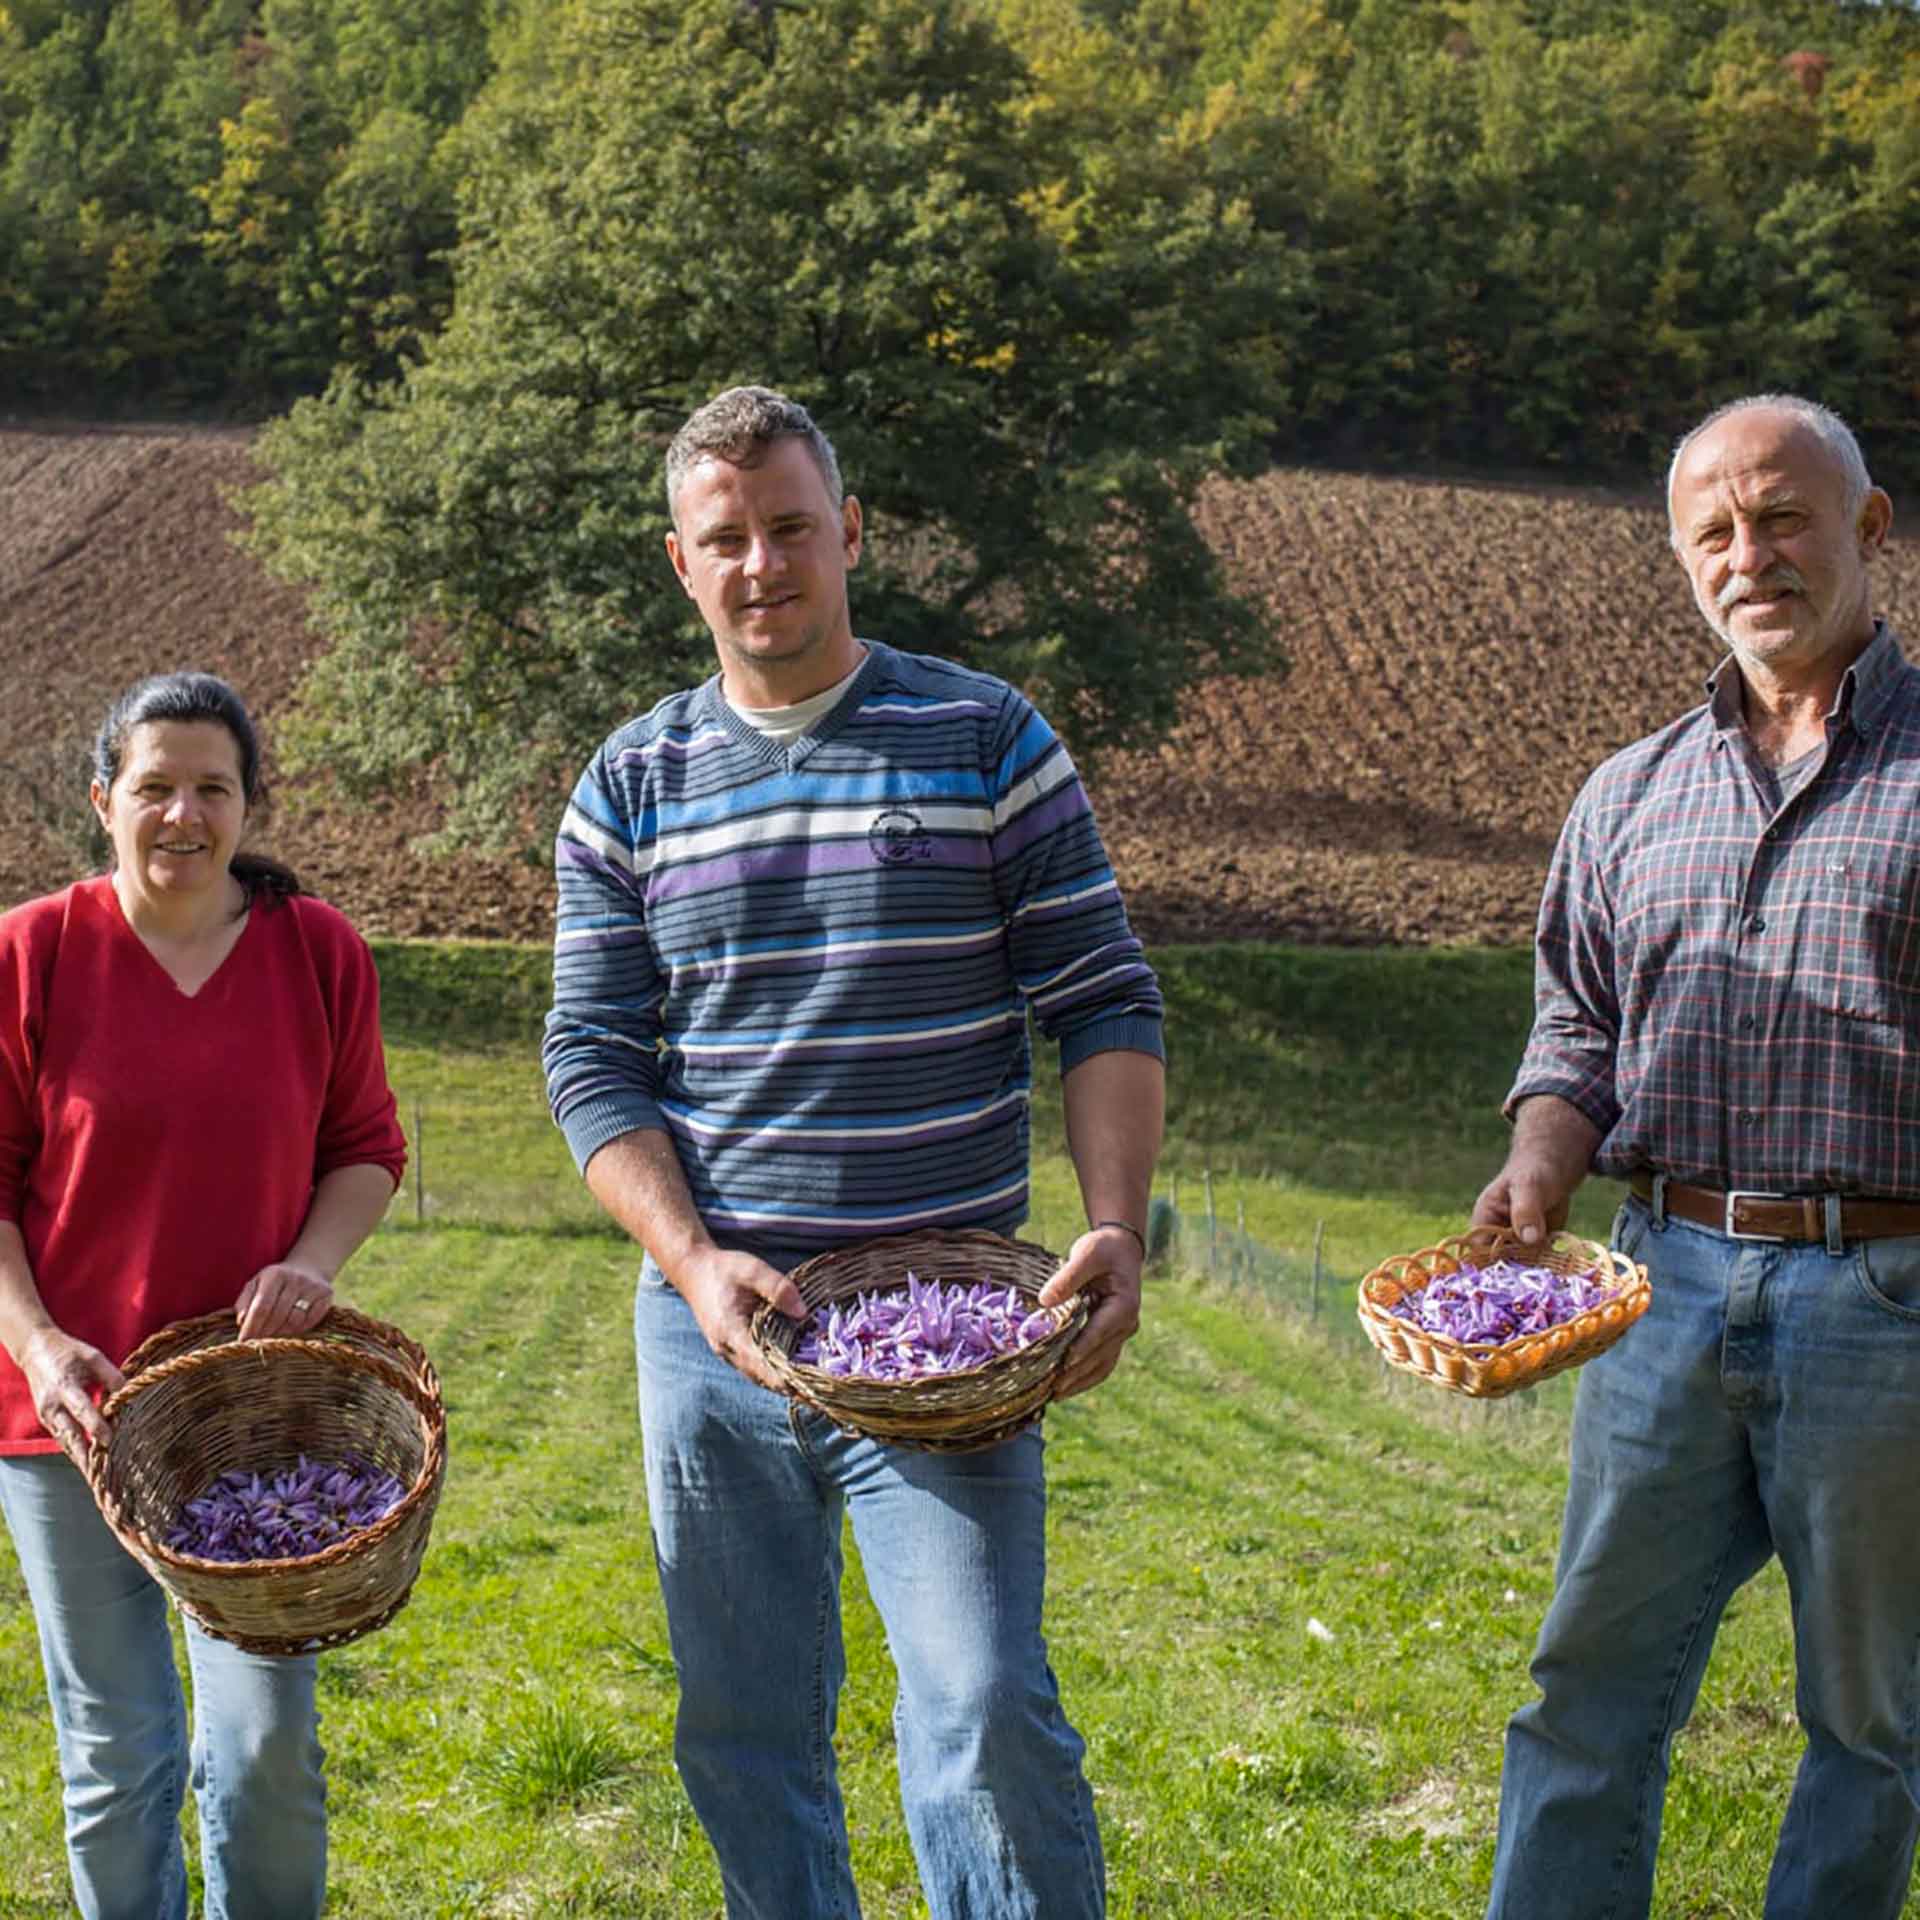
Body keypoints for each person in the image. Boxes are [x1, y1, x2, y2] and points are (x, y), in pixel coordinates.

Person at [543, 384, 1166, 1918]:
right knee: (746, 1734)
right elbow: (589, 1058)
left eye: (791, 528)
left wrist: (1118, 1229)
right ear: (681, 564)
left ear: (852, 536)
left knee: (979, 1707)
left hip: (942, 1340)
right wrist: (692, 1267)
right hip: (716, 1333)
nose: (762, 563)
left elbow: (1102, 999)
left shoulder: (982, 735)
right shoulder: (629, 786)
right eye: (726, 538)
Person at [1475, 394, 1920, 1920]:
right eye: (1714, 532)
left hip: (1888, 1299)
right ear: (1682, 562)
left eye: (1785, 517)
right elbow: (1574, 1035)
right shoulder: (1629, 794)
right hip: (1653, 1288)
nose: (1752, 555)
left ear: (1870, 531)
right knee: (1583, 1690)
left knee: (1869, 1724)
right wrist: (1542, 1161)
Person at [0, 672, 407, 1920]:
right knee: (120, 1755)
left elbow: (367, 1146)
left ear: (247, 805)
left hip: (257, 1419)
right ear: (102, 802)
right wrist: (38, 1342)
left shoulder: (315, 950)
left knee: (267, 1746)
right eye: (154, 787)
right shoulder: (34, 953)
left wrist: (314, 1265)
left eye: (211, 789)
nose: (183, 814)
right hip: (73, 1417)